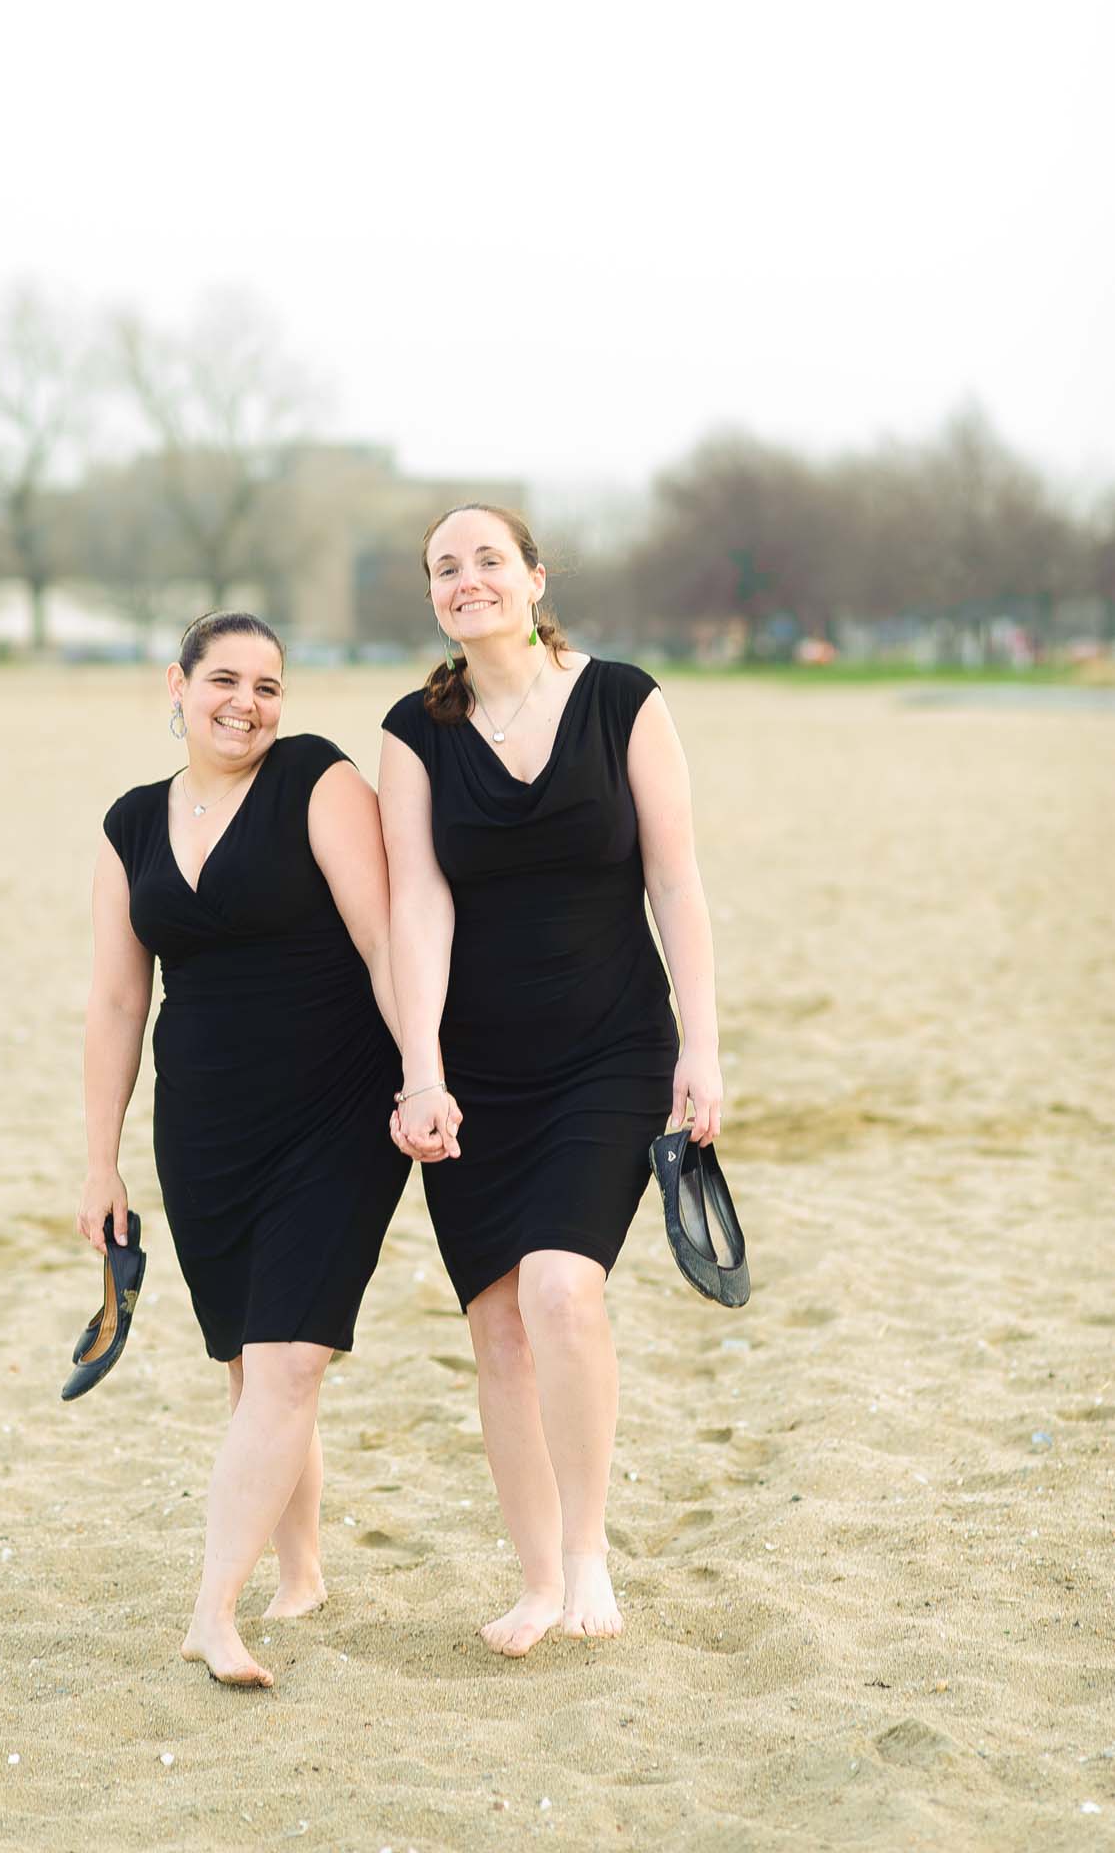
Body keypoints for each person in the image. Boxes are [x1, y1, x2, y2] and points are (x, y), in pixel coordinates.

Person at [379, 505, 724, 1657]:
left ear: (533, 576)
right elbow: (415, 905)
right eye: (444, 567)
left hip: (610, 1047)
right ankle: (534, 1580)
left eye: (488, 560)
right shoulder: (410, 730)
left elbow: (674, 882)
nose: (467, 580)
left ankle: (587, 1552)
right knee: (496, 1326)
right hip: (475, 1067)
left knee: (563, 1289)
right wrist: (419, 1069)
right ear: (431, 594)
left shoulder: (623, 698)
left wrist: (701, 1046)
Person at [77, 611, 410, 1688]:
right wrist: (101, 1160)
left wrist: (425, 1070)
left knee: (287, 1357)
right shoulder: (130, 823)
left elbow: (381, 936)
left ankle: (211, 1611)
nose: (247, 703)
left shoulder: (317, 777)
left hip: (338, 1111)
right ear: (174, 685)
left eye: (268, 685)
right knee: (252, 1367)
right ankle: (300, 1570)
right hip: (205, 1125)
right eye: (224, 679)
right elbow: (118, 1000)